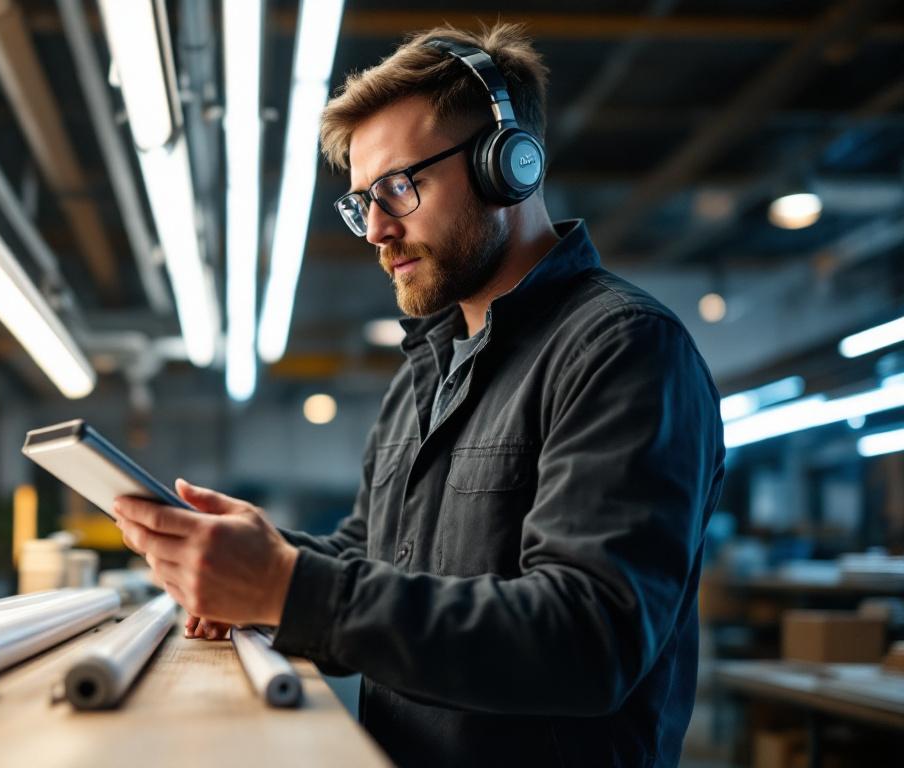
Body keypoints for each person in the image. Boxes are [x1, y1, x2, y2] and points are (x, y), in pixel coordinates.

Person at [113, 22, 725, 767]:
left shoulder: (622, 351)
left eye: (400, 188)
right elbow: (374, 559)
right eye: (362, 200)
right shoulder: (425, 369)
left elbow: (588, 638)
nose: (374, 228)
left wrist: (289, 588)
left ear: (508, 167)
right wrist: (255, 562)